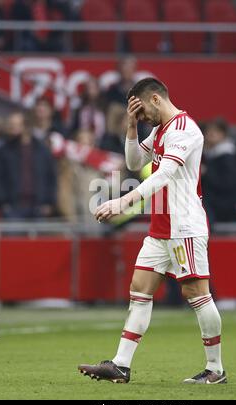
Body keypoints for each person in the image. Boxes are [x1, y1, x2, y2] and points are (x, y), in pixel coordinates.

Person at [78, 78, 226, 385]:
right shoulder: (159, 130)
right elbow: (134, 162)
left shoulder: (185, 130)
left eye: (142, 111)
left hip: (184, 225)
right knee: (140, 288)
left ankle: (215, 369)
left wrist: (122, 201)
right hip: (160, 226)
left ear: (156, 99)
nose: (142, 117)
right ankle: (120, 365)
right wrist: (132, 127)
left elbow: (162, 177)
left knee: (196, 293)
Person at [0, 112, 57, 219]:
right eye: (10, 124)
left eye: (15, 124)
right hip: (12, 207)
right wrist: (3, 203)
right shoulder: (3, 150)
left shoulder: (42, 150)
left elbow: (51, 177)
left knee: (41, 236)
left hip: (39, 207)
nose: (11, 127)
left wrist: (49, 202)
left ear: (26, 126)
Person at [202, 118, 236, 223]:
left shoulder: (228, 155)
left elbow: (229, 183)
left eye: (215, 131)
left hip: (223, 207)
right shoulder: (205, 154)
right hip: (210, 205)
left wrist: (207, 173)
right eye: (208, 131)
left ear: (223, 134)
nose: (211, 134)